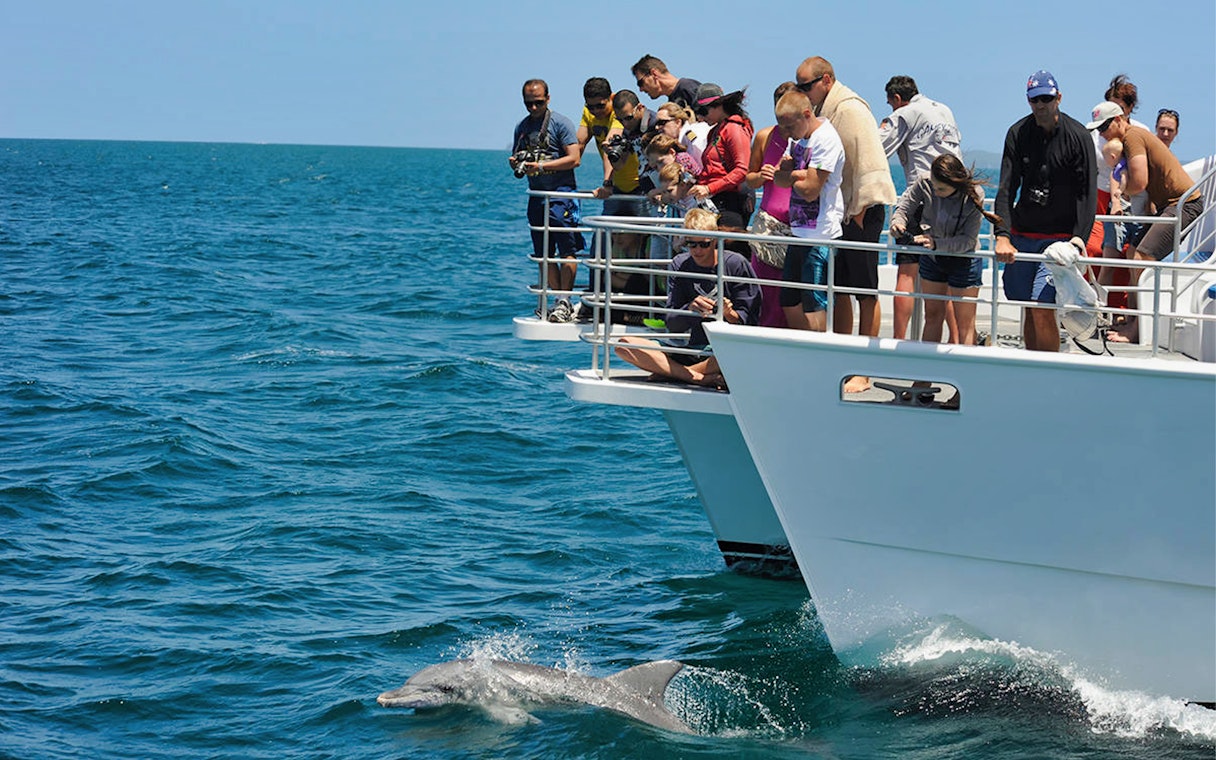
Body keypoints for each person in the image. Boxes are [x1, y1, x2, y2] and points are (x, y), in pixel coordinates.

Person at [795, 57, 896, 391]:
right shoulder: (828, 108)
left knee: (864, 292)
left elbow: (867, 160)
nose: (802, 92)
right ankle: (844, 360)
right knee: (838, 290)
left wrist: (861, 207)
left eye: (805, 86)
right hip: (842, 212)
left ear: (825, 80)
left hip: (860, 210)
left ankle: (864, 370)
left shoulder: (849, 109)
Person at [993, 70, 1096, 352]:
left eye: (1046, 99)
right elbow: (1005, 188)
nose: (1040, 105)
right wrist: (1002, 235)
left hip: (1059, 239)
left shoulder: (1078, 136)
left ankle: (1048, 374)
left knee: (1042, 306)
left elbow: (1086, 193)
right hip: (1023, 233)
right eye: (1034, 100)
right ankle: (1032, 366)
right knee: (1026, 305)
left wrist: (1078, 239)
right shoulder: (1017, 133)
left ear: (1058, 98)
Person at [1088, 101, 1206, 343]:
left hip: (1183, 205)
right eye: (1098, 129)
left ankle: (1137, 330)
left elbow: (1139, 183)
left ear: (1120, 119)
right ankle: (1133, 319)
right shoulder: (1135, 138)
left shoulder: (1133, 138)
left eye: (1105, 126)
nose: (1102, 133)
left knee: (1141, 258)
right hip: (1169, 206)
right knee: (1132, 253)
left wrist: (1119, 193)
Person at [613, 208, 760, 389]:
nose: (697, 250)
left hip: (724, 349)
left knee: (736, 354)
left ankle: (675, 373)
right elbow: (672, 323)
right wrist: (691, 310)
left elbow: (751, 321)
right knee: (624, 345)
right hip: (693, 347)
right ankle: (695, 377)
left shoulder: (735, 263)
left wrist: (729, 314)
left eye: (704, 244)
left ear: (715, 240)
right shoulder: (680, 264)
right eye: (692, 244)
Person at [879, 75, 964, 341]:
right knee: (945, 275)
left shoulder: (904, 113)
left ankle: (899, 340)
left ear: (895, 99)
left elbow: (877, 148)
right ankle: (957, 339)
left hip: (922, 194)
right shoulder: (944, 110)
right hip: (954, 196)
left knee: (907, 271)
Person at [890, 154, 1002, 345]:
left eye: (941, 188)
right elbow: (904, 207)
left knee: (964, 324)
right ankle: (925, 374)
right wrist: (897, 223)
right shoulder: (924, 182)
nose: (935, 190)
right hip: (933, 258)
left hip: (965, 260)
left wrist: (936, 244)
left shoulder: (975, 195)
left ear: (955, 184)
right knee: (932, 315)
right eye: (934, 185)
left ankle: (965, 374)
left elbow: (968, 241)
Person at [509, 79, 585, 323]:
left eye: (538, 103)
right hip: (537, 196)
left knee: (567, 250)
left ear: (548, 98)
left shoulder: (560, 123)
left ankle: (565, 299)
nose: (533, 108)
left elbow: (574, 158)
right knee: (543, 253)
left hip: (562, 193)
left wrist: (541, 165)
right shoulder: (522, 127)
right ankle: (554, 300)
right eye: (528, 104)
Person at [772, 89, 846, 333]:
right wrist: (797, 175)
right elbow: (779, 179)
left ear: (806, 114)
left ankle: (822, 355)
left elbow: (811, 190)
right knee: (789, 301)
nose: (786, 134)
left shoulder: (826, 139)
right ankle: (805, 350)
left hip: (821, 235)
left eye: (790, 127)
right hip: (799, 232)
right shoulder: (798, 138)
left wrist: (792, 174)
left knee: (815, 304)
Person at [745, 81, 798, 328]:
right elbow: (749, 178)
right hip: (767, 228)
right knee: (764, 291)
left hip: (798, 229)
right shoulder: (765, 136)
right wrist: (761, 175)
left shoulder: (810, 138)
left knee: (793, 294)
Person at [688, 84, 755, 230]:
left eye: (704, 110)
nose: (700, 116)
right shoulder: (716, 131)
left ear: (719, 106)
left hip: (728, 204)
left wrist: (709, 188)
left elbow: (742, 170)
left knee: (726, 251)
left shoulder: (733, 129)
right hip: (714, 201)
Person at [630, 54, 702, 109]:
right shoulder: (671, 103)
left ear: (654, 74)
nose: (641, 89)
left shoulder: (688, 88)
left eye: (640, 83)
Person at [655, 102, 710, 169]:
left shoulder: (693, 136)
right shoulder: (681, 143)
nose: (657, 127)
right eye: (656, 124)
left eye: (661, 122)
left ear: (678, 122)